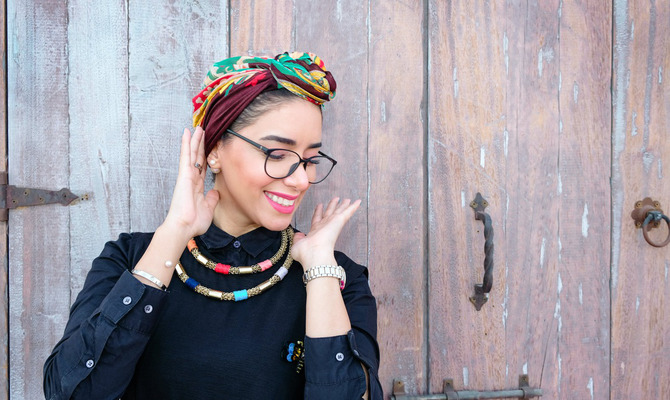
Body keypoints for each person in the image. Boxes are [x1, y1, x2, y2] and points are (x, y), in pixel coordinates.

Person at [43, 52, 382, 399]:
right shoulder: (128, 259)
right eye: (277, 155)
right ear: (215, 150)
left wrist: (320, 270)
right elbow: (71, 393)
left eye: (310, 160)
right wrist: (175, 231)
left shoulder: (340, 279)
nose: (301, 180)